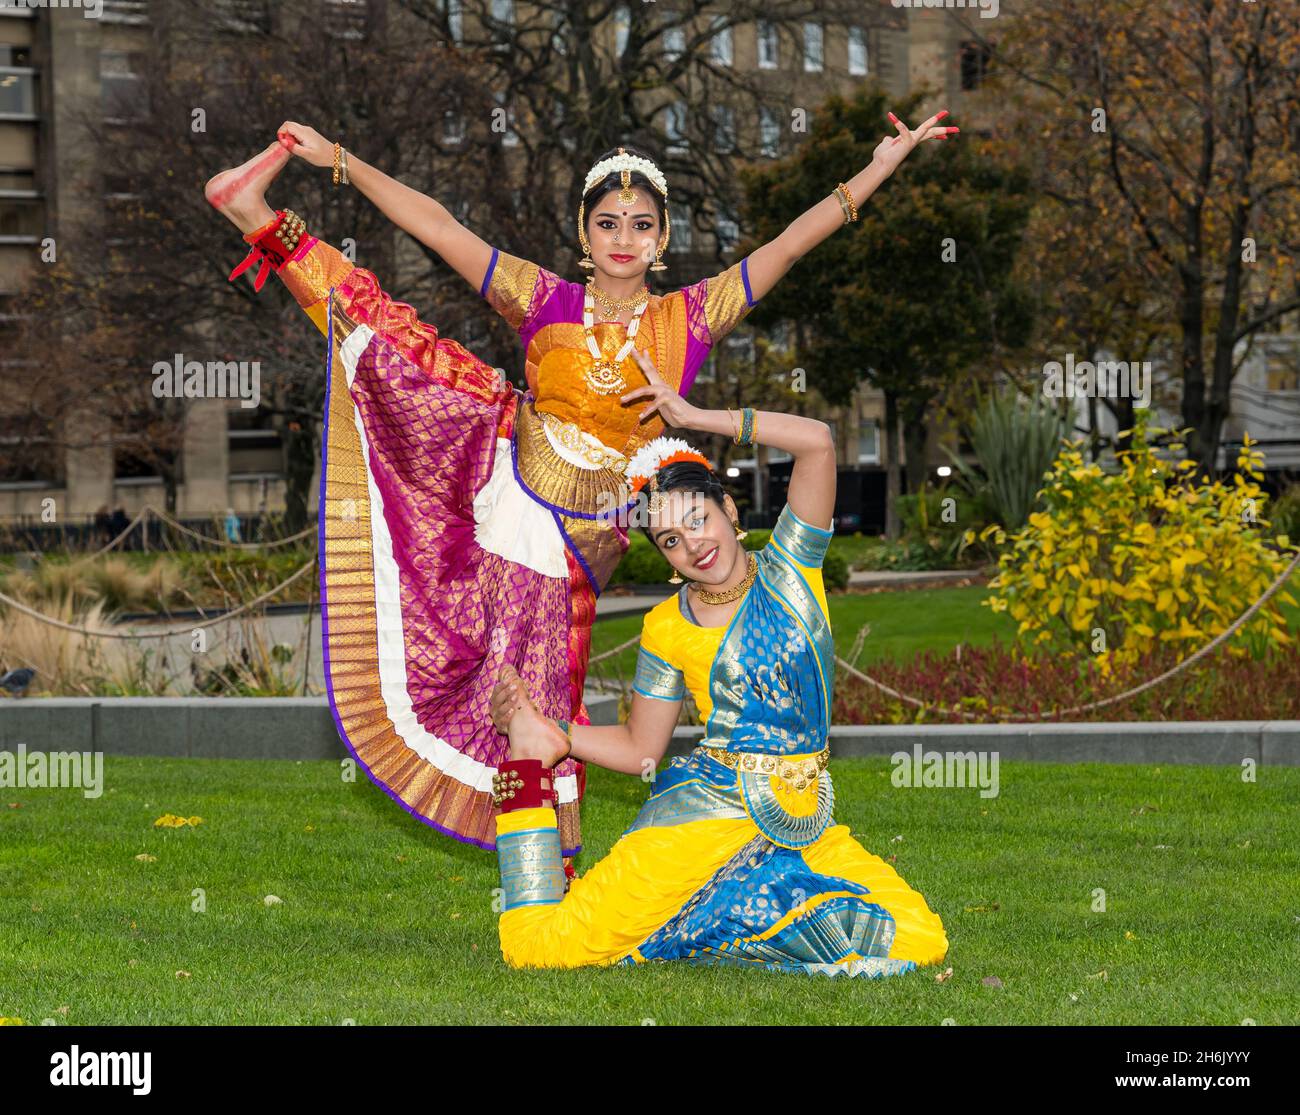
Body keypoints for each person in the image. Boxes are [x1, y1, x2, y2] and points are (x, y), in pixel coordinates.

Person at [202, 112, 958, 858]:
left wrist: (881, 167)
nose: (623, 238)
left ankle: (544, 867)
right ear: (583, 232)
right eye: (607, 223)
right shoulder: (544, 299)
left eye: (639, 224)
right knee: (402, 349)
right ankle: (260, 219)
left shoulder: (689, 316)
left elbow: (791, 242)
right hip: (512, 483)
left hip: (587, 533)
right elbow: (437, 228)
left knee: (522, 688)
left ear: (660, 240)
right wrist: (342, 159)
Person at [486, 379, 948, 976]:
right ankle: (529, 755)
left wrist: (698, 415)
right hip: (701, 813)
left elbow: (818, 443)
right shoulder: (665, 626)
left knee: (917, 937)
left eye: (699, 520)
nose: (693, 546)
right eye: (671, 541)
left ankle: (735, 917)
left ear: (728, 510)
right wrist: (559, 737)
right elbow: (640, 747)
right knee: (542, 950)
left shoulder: (792, 571)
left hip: (802, 820)